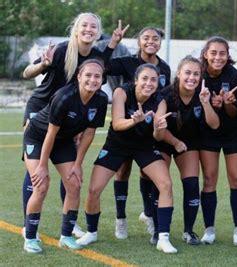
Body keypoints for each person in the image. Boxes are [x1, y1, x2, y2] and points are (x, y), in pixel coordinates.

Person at [21, 13, 128, 238]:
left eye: (93, 27)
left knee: (67, 167)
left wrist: (113, 44)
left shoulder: (97, 55)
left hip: (69, 114)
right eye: (84, 25)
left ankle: (68, 221)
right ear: (76, 28)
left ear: (98, 32)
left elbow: (102, 66)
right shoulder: (61, 50)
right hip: (40, 109)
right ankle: (27, 223)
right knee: (35, 170)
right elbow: (26, 73)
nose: (88, 29)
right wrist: (43, 64)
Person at [76, 64, 177, 254]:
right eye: (145, 79)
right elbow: (117, 123)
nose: (149, 83)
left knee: (166, 184)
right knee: (94, 189)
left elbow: (158, 137)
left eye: (153, 80)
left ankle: (163, 237)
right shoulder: (121, 92)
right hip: (117, 144)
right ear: (136, 80)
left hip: (144, 145)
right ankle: (91, 232)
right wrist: (135, 120)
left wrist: (158, 127)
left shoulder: (160, 101)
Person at [22, 59, 109, 253]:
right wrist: (43, 165)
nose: (92, 79)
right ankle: (30, 237)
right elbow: (50, 134)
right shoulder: (64, 96)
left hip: (63, 141)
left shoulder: (101, 99)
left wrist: (78, 163)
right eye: (88, 75)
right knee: (41, 185)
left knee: (74, 183)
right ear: (79, 76)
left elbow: (89, 133)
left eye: (97, 76)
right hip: (38, 137)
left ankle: (66, 235)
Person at [105, 26, 171, 239]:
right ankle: (121, 219)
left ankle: (149, 216)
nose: (151, 41)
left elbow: (164, 97)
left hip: (149, 131)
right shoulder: (127, 61)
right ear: (139, 41)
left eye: (156, 38)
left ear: (161, 42)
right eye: (146, 38)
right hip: (125, 131)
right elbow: (102, 65)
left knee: (148, 174)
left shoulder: (165, 68)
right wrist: (113, 42)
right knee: (122, 172)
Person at [153, 56, 219, 245]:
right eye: (188, 73)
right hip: (165, 141)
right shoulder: (165, 95)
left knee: (191, 185)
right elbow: (158, 127)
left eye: (196, 74)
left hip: (188, 143)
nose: (192, 77)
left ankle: (188, 231)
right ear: (179, 73)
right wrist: (174, 142)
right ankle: (158, 230)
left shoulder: (203, 93)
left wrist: (206, 103)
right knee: (160, 184)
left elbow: (214, 125)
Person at [199, 36, 237, 245]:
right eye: (214, 53)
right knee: (209, 179)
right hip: (208, 133)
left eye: (222, 53)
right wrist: (211, 104)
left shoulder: (235, 76)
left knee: (236, 178)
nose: (218, 57)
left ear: (228, 56)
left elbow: (235, 112)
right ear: (205, 55)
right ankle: (209, 229)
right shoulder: (198, 75)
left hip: (233, 133)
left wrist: (227, 103)